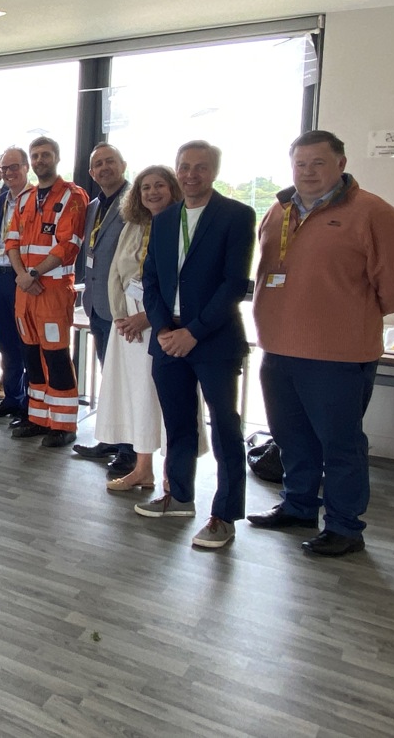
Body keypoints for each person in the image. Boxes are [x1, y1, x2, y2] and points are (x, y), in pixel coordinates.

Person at [250, 130, 394, 556]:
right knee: (291, 437)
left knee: (340, 444)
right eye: (300, 163)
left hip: (337, 355)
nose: (307, 172)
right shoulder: (279, 210)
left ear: (341, 164)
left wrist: (353, 312)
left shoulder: (372, 213)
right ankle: (298, 506)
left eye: (318, 163)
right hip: (278, 347)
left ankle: (345, 527)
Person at [134, 140, 256, 551]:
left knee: (224, 429)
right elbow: (151, 279)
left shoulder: (237, 216)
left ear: (214, 172)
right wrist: (164, 328)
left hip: (214, 340)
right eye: (184, 166)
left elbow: (235, 284)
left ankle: (224, 514)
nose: (190, 174)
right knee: (179, 422)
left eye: (200, 167)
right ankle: (180, 496)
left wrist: (194, 332)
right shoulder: (166, 219)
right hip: (168, 339)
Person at [94, 165, 184, 491]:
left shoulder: (181, 225)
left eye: (160, 186)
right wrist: (120, 316)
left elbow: (179, 281)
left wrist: (146, 317)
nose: (152, 192)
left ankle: (174, 474)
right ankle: (142, 468)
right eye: (146, 187)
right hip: (127, 325)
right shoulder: (133, 224)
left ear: (173, 189)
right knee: (137, 394)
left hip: (161, 323)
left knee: (163, 395)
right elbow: (115, 273)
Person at [5, 137, 88, 446]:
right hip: (25, 289)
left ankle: (64, 424)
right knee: (31, 355)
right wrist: (23, 276)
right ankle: (38, 416)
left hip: (51, 289)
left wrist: (34, 273)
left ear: (57, 157)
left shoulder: (73, 196)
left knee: (55, 356)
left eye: (45, 155)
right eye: (35, 155)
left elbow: (69, 245)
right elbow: (11, 241)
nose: (40, 160)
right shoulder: (24, 199)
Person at [73, 144, 133, 468]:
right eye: (98, 164)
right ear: (91, 173)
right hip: (97, 305)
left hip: (123, 308)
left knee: (123, 380)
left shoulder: (136, 204)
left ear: (123, 164)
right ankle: (110, 438)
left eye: (110, 161)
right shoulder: (94, 205)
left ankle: (129, 452)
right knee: (108, 377)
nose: (104, 167)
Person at [0, 147, 30, 420]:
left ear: (26, 168)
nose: (9, 173)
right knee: (7, 344)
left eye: (14, 167)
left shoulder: (35, 199)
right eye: (5, 169)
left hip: (23, 278)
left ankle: (31, 406)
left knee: (28, 343)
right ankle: (12, 397)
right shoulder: (1, 200)